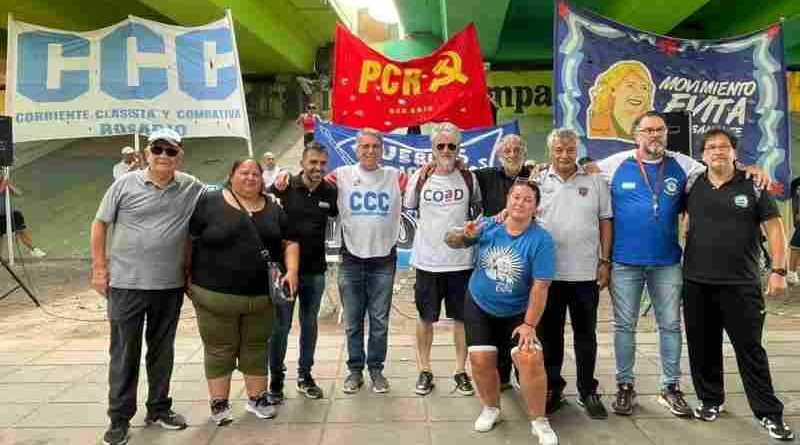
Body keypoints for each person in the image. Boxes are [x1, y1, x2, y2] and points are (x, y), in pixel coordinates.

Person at [594, 110, 768, 418]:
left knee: (671, 326)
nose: (654, 135)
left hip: (668, 263)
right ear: (636, 135)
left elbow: (721, 168)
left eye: (659, 130)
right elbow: (584, 170)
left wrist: (751, 169)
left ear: (666, 134)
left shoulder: (683, 165)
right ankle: (625, 386)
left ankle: (670, 387)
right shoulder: (615, 164)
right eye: (647, 130)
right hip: (624, 263)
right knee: (624, 326)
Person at [90, 128, 205, 445]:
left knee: (161, 351)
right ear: (147, 153)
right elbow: (100, 224)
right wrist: (99, 268)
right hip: (126, 284)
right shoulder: (124, 185)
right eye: (158, 149)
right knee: (125, 353)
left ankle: (158, 408)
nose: (164, 156)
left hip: (169, 285)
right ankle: (119, 419)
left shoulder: (190, 187)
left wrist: (280, 185)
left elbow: (227, 195)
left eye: (171, 151)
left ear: (179, 155)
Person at [682, 128, 794, 441]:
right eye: (710, 147)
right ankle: (710, 400)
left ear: (735, 153)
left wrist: (778, 270)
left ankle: (769, 413)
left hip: (741, 284)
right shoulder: (692, 184)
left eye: (724, 146)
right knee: (702, 348)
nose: (717, 151)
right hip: (696, 282)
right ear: (702, 155)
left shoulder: (754, 186)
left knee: (751, 351)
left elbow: (774, 229)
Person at [188, 158, 299, 425]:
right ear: (231, 175)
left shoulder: (274, 208)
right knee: (219, 350)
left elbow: (290, 241)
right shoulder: (209, 202)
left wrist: (292, 271)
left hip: (261, 298)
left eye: (255, 174)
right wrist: (185, 274)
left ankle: (257, 398)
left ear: (262, 179)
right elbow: (189, 241)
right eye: (243, 172)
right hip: (215, 295)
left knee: (256, 348)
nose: (250, 178)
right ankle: (219, 404)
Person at [445, 181, 557, 445]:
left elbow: (541, 287)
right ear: (507, 200)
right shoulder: (489, 226)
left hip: (518, 310)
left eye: (527, 199)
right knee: (481, 360)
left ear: (536, 208)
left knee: (530, 358)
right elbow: (451, 240)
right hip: (480, 303)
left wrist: (529, 324)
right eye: (515, 197)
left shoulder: (541, 240)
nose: (520, 203)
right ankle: (491, 408)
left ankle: (539, 421)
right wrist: (467, 235)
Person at [532, 128, 612, 418]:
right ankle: (554, 389)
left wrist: (605, 261)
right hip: (548, 275)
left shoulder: (595, 180)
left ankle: (587, 390)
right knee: (550, 336)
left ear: (576, 150)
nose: (564, 155)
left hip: (585, 274)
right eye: (559, 150)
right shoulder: (538, 180)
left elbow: (605, 222)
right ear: (550, 151)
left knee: (585, 335)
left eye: (569, 149)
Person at [404, 122, 481, 397]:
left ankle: (461, 371)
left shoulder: (469, 179)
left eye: (452, 146)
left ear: (459, 148)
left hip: (461, 262)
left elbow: (478, 214)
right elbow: (409, 206)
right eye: (441, 146)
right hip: (428, 262)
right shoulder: (420, 178)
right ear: (433, 149)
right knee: (425, 318)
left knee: (462, 320)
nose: (446, 150)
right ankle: (424, 370)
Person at [329, 128, 405, 394]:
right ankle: (354, 371)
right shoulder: (341, 176)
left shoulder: (396, 176)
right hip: (351, 257)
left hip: (384, 258)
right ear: (356, 149)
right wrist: (283, 179)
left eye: (375, 146)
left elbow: (426, 178)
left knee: (380, 320)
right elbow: (312, 182)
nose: (370, 151)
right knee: (352, 320)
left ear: (382, 150)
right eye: (365, 146)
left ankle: (376, 370)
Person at [266, 142, 338, 403]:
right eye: (313, 163)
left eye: (322, 163)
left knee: (309, 325)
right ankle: (275, 380)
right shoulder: (283, 187)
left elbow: (340, 218)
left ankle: (305, 376)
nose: (318, 168)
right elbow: (259, 204)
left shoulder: (330, 192)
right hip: (284, 273)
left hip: (315, 271)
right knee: (280, 327)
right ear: (302, 163)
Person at [474, 134, 534, 388]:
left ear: (525, 151)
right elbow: (455, 170)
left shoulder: (535, 175)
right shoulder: (484, 176)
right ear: (499, 153)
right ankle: (501, 376)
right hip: (494, 259)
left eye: (517, 148)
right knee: (496, 318)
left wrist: (587, 163)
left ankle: (525, 372)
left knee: (523, 315)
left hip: (527, 256)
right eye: (507, 149)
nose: (512, 153)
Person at [587, 60, 655, 142]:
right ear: (612, 90)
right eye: (630, 86)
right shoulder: (596, 124)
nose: (639, 93)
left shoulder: (654, 127)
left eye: (644, 88)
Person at [0, 174, 46, 258]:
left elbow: (18, 194)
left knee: (22, 231)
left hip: (11, 213)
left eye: (0, 173)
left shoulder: (5, 184)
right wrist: (3, 184)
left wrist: (9, 186)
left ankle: (33, 250)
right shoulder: (3, 184)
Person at [787, 175, 800, 284]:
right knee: (795, 245)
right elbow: (794, 200)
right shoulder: (796, 183)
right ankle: (791, 274)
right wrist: (796, 213)